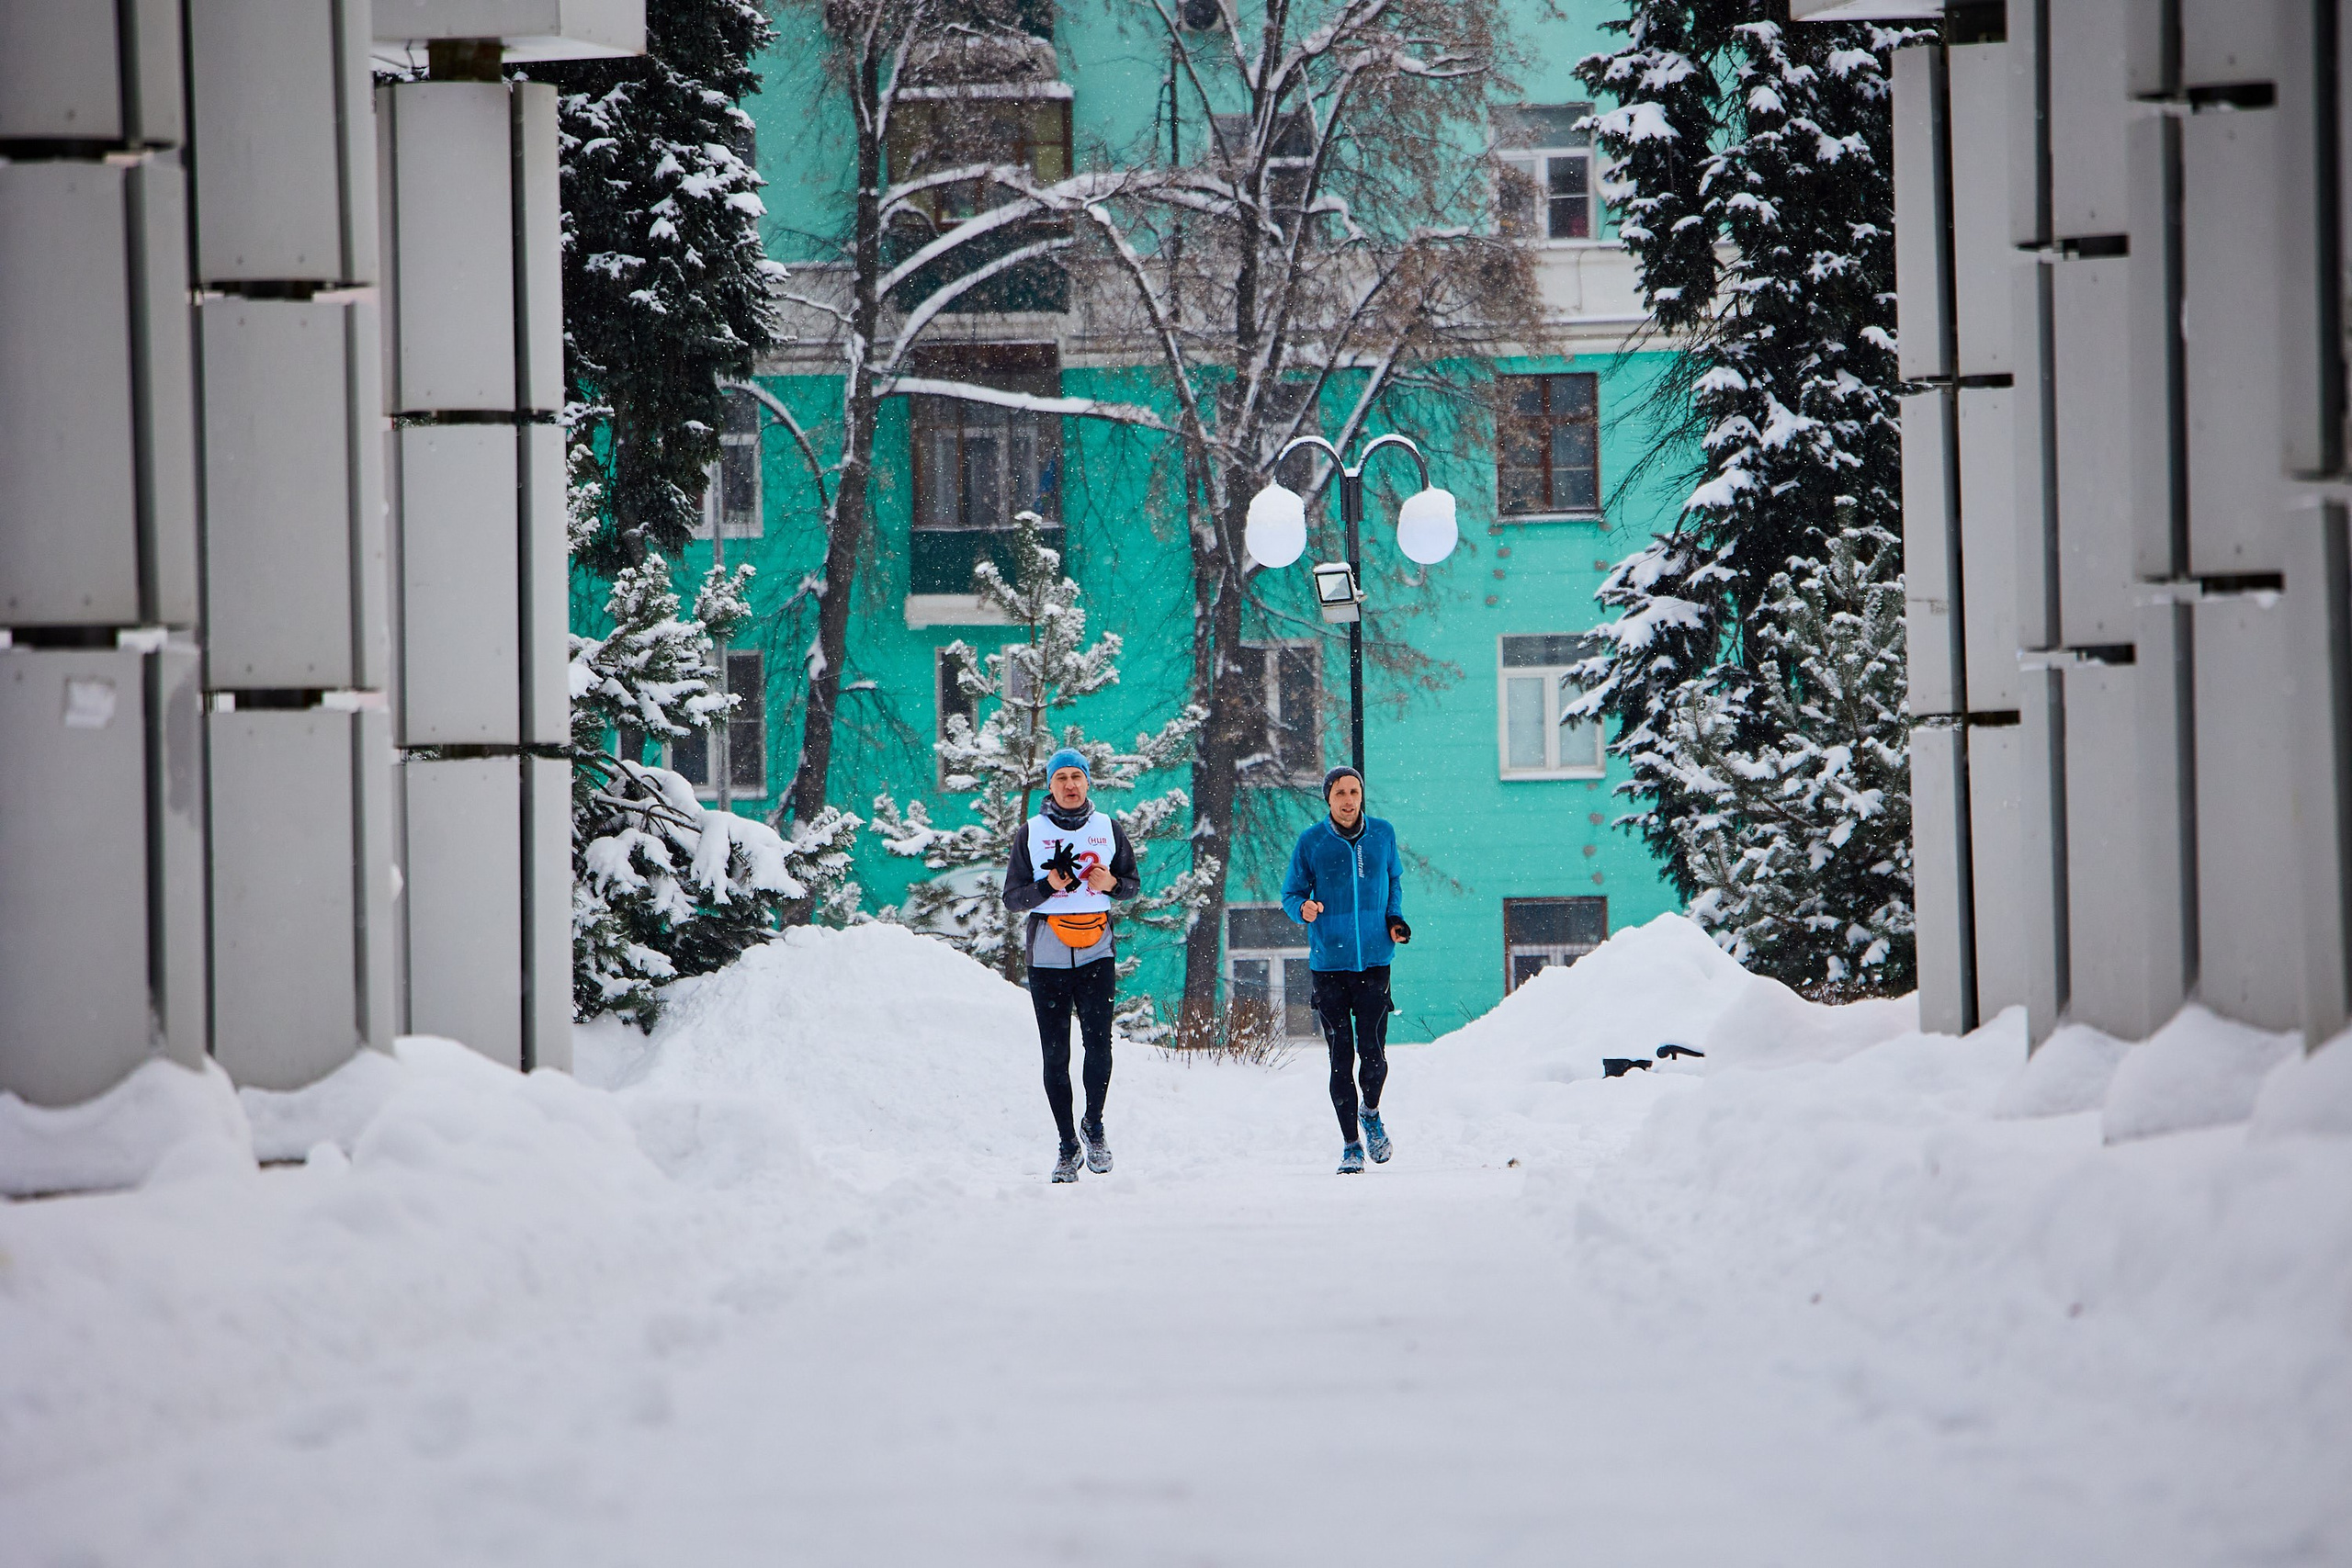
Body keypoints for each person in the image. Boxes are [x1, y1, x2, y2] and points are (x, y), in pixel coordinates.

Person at [1002, 748, 1140, 1183]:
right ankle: (1067, 1144)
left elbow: (1132, 886)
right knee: (1055, 1053)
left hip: (1097, 951)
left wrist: (1112, 883)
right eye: (1061, 778)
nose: (1070, 785)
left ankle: (1093, 1126)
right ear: (1050, 786)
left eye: (1076, 777)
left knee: (1099, 1046)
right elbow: (1012, 899)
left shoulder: (1108, 828)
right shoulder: (1031, 832)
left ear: (1087, 782)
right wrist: (1047, 885)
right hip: (1048, 956)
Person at [1282, 765, 1410, 1174]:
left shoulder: (1382, 834)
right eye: (1340, 793)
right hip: (1329, 964)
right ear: (1328, 798)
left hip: (1375, 960)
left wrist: (1394, 919)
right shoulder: (1312, 842)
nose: (1349, 800)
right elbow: (1291, 893)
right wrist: (1303, 909)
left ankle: (1370, 1113)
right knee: (1341, 1057)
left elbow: (1394, 882)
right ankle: (1351, 1145)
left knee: (1373, 1055)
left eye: (1354, 791)